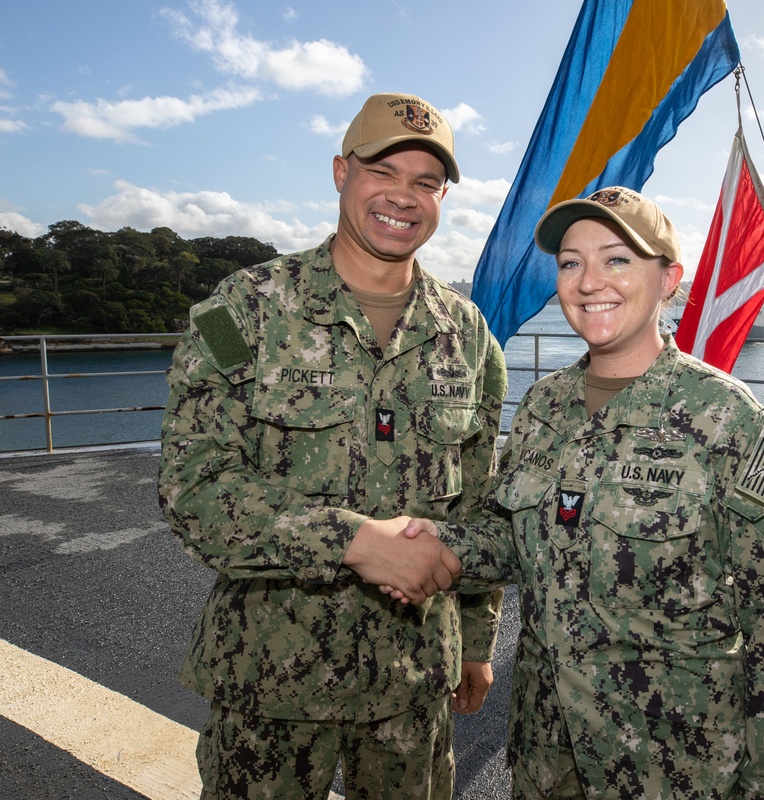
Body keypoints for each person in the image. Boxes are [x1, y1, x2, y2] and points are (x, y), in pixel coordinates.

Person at [397, 186, 764, 798]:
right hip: (546, 760)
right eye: (571, 262)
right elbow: (513, 546)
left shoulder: (728, 423)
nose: (589, 281)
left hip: (671, 768)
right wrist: (420, 543)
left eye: (617, 259)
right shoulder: (541, 407)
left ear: (669, 279)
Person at [158, 91, 508, 800]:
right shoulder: (241, 310)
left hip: (413, 684)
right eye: (384, 172)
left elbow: (479, 507)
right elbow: (193, 485)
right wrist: (353, 540)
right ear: (341, 172)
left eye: (426, 183)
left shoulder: (469, 335)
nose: (404, 198)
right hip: (272, 683)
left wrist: (474, 646)